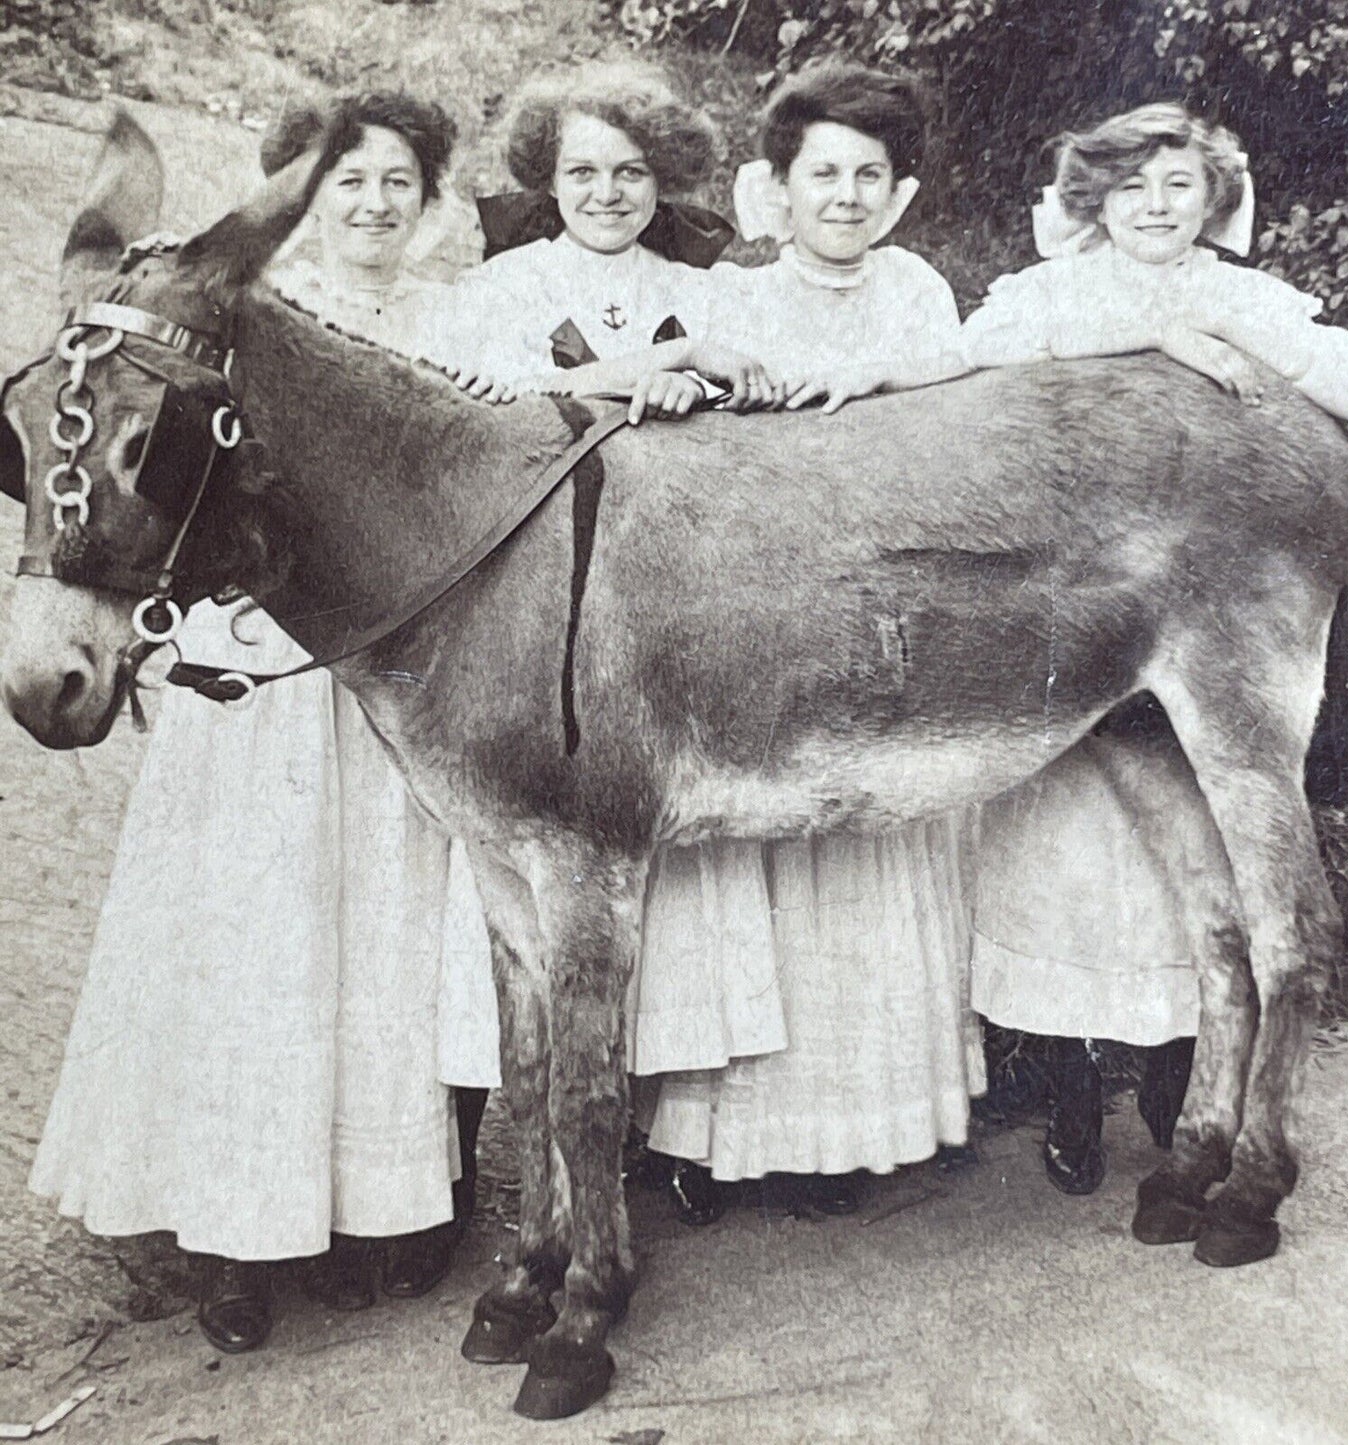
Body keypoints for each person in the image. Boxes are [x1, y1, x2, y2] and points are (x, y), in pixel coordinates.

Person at [799, 100, 1348, 1190]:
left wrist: (1235, 340)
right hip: (1072, 618)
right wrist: (1140, 333)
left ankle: (1234, 1119)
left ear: (1214, 198)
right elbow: (961, 355)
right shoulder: (1051, 293)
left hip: (1201, 591)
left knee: (1232, 856)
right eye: (1129, 188)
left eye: (1177, 187)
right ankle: (1084, 1090)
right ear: (1092, 201)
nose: (1154, 208)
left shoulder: (1241, 296)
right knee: (1073, 875)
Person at [28, 92, 500, 1354]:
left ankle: (385, 1202)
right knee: (245, 948)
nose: (371, 203)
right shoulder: (229, 323)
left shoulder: (460, 319)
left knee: (384, 940)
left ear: (429, 200)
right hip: (250, 667)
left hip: (391, 665)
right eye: (345, 182)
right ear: (297, 194)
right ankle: (228, 1234)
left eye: (397, 181)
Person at [541, 61, 989, 1209]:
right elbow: (684, 455)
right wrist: (695, 397)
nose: (842, 196)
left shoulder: (920, 293)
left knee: (880, 846)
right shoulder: (733, 300)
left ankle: (871, 1123)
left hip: (894, 601)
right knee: (764, 869)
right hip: (765, 616)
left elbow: (958, 440)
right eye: (820, 173)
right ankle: (734, 1137)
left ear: (896, 194)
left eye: (867, 176)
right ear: (776, 188)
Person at [428, 61, 788, 1228]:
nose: (607, 191)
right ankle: (543, 1159)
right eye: (581, 170)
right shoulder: (501, 284)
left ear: (662, 178)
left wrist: (707, 383)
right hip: (528, 612)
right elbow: (486, 404)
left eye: (631, 172)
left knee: (657, 889)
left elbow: (757, 408)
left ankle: (642, 1133)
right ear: (545, 176)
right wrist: (653, 370)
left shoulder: (702, 284)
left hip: (665, 610)